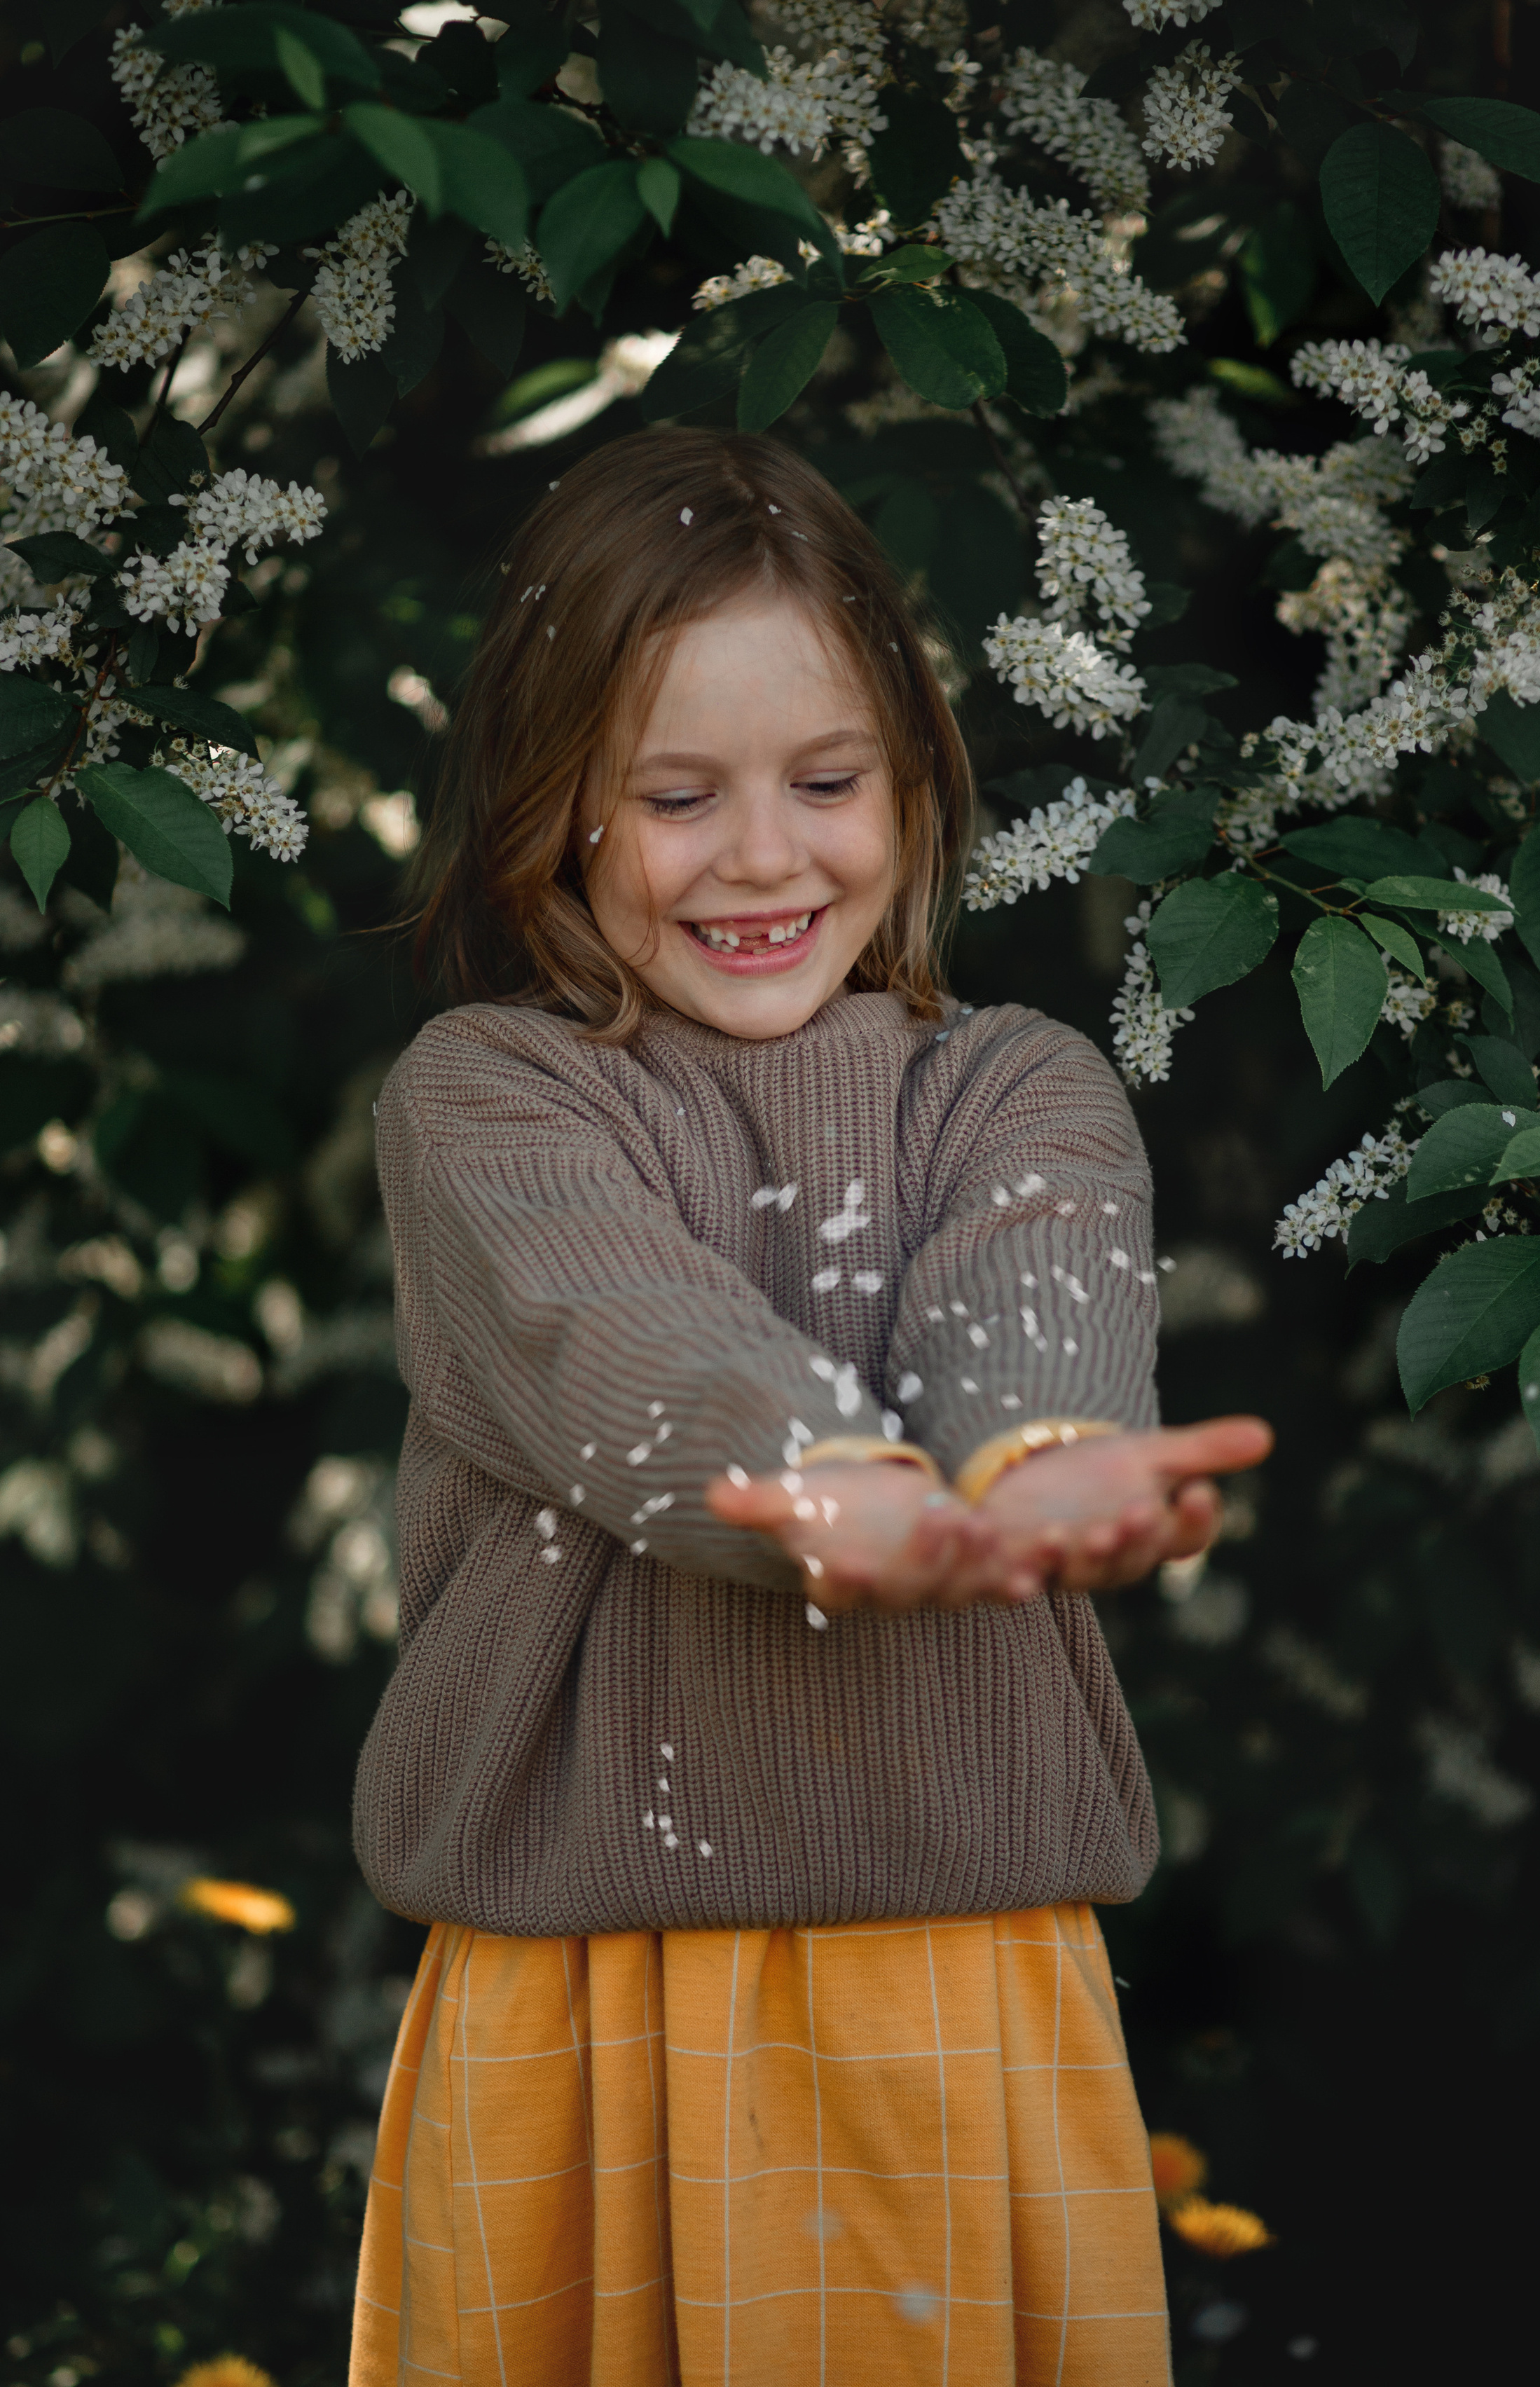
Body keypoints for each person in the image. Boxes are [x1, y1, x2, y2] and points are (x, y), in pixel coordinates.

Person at [347, 427, 1272, 2387]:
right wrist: (830, 1484)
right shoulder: (490, 1099)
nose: (764, 857)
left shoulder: (1015, 1083)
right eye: (678, 796)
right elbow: (620, 1333)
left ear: (920, 787)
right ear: (553, 811)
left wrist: (1041, 1470)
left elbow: (1031, 1296)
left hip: (966, 1975)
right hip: (576, 2009)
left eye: (828, 783)